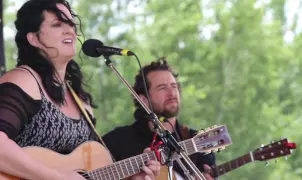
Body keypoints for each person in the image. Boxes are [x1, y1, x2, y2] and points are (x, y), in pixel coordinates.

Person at [0, 0, 160, 179]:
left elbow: (90, 173)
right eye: (57, 24)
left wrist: (132, 177)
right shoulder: (24, 80)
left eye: (71, 24)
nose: (69, 30)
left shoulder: (80, 100)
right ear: (34, 39)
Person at [102, 58, 216, 180]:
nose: (171, 93)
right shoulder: (117, 140)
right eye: (162, 88)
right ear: (144, 100)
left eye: (174, 86)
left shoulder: (197, 140)